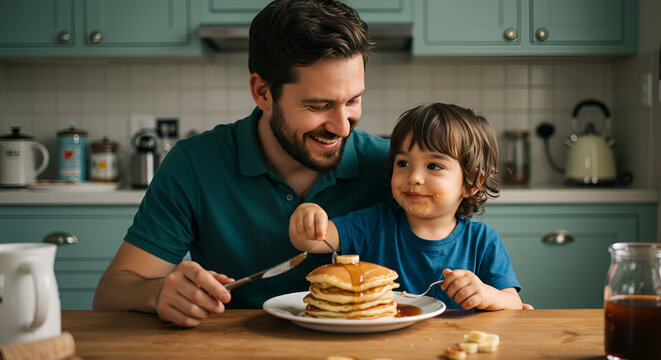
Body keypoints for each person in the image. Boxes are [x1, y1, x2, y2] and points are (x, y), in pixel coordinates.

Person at [93, 0, 392, 327]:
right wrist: (157, 293)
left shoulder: (393, 167)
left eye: (353, 100)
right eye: (319, 105)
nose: (343, 126)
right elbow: (110, 294)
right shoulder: (195, 164)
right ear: (262, 92)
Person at [289, 103, 523, 310]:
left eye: (433, 166)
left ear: (472, 183)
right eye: (403, 163)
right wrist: (307, 215)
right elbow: (308, 240)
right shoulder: (374, 224)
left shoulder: (482, 240)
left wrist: (485, 294)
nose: (414, 177)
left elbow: (513, 303)